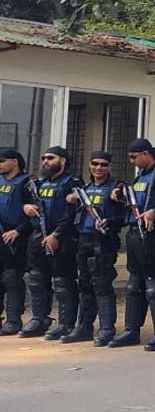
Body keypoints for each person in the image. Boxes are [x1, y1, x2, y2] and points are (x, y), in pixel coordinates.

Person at [107, 139, 155, 349]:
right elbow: (136, 202)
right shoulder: (141, 176)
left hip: (154, 235)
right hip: (135, 234)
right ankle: (131, 330)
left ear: (146, 154)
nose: (132, 161)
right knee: (133, 285)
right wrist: (119, 196)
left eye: (134, 157)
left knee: (154, 285)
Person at [21, 146, 83, 340]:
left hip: (62, 238)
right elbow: (29, 203)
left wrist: (56, 234)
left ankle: (66, 323)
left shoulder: (72, 183)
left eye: (50, 158)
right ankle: (39, 319)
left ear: (62, 160)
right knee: (37, 279)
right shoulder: (40, 183)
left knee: (62, 282)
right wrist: (26, 207)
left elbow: (72, 214)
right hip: (39, 236)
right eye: (43, 158)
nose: (45, 161)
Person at [64, 151, 125, 345]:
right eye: (95, 164)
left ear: (110, 167)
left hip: (103, 242)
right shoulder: (85, 189)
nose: (99, 168)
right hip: (83, 240)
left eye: (103, 164)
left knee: (102, 285)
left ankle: (106, 329)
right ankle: (84, 328)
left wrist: (112, 217)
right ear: (89, 165)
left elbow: (124, 215)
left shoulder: (116, 187)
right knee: (84, 285)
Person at [0, 150, 32, 336]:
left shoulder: (27, 183)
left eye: (2, 161)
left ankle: (13, 320)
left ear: (14, 161)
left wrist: (19, 230)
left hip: (16, 238)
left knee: (11, 279)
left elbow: (36, 214)